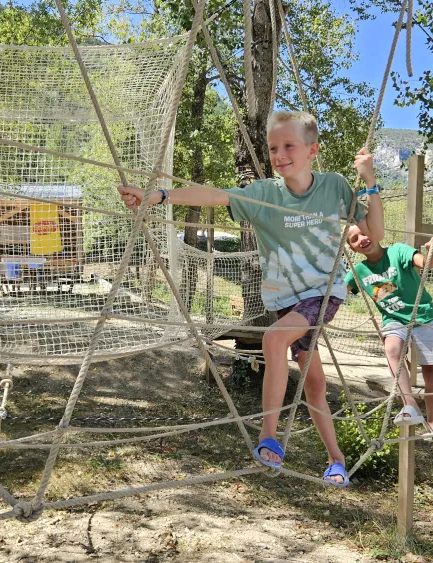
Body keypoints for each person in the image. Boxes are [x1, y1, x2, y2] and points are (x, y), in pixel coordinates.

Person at [119, 111, 385, 487]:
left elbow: (377, 231)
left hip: (323, 293)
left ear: (312, 151)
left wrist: (370, 181)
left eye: (288, 145)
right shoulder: (263, 194)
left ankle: (268, 436)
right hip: (283, 299)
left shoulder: (336, 187)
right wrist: (160, 195)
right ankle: (336, 460)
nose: (279, 154)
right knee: (314, 385)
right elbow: (214, 195)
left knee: (273, 338)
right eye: (273, 147)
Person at [344, 223, 433, 442]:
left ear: (375, 232)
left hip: (424, 314)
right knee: (391, 349)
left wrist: (432, 252)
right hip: (394, 319)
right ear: (353, 249)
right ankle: (410, 405)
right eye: (354, 239)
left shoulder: (398, 251)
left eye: (364, 232)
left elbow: (425, 264)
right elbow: (339, 291)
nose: (361, 238)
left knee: (431, 370)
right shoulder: (358, 271)